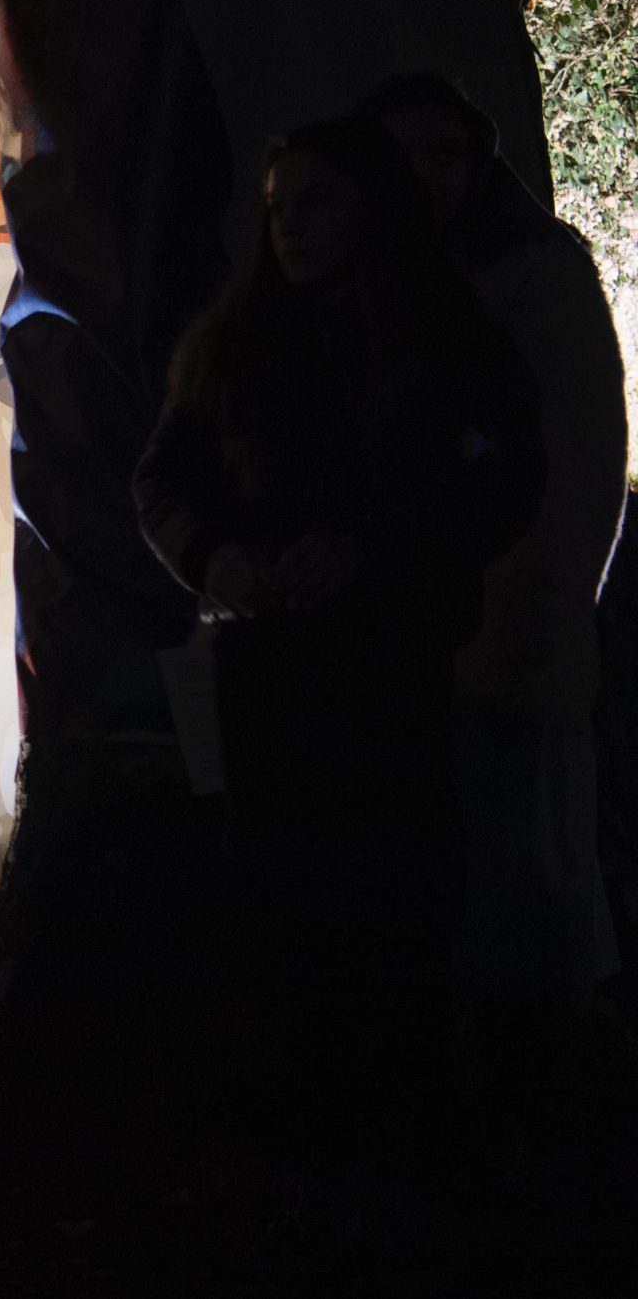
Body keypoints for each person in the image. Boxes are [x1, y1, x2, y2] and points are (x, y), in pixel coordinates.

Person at [134, 118, 542, 1186]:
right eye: (277, 208)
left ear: (371, 210)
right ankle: (301, 1140)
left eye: (314, 203)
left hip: (386, 668)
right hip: (267, 673)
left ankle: (396, 1143)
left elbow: (500, 480)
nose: (291, 228)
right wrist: (213, 556)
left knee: (392, 899)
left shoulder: (442, 344)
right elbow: (165, 480)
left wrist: (377, 552)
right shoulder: (237, 343)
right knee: (278, 901)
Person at [361, 74, 628, 1020]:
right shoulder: (380, 275)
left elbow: (575, 454)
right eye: (403, 156)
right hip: (415, 625)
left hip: (509, 616)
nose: (427, 176)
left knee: (525, 859)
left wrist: (529, 594)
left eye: (446, 154)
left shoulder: (530, 272)